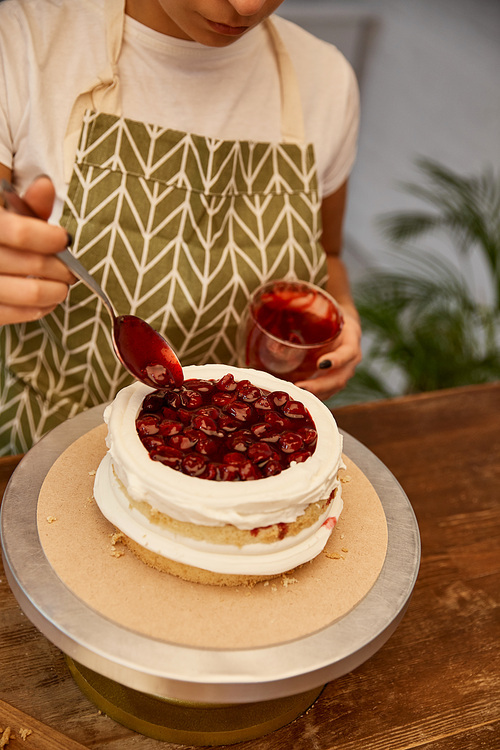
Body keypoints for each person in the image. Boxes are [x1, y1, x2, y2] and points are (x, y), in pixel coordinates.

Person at [0, 0, 362, 455]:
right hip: (41, 447)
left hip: (234, 456)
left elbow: (328, 255)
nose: (246, 5)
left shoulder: (326, 79)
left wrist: (342, 308)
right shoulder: (21, 41)